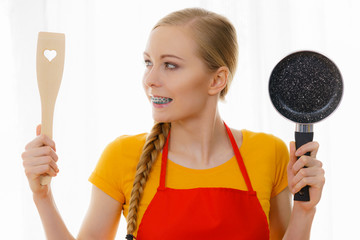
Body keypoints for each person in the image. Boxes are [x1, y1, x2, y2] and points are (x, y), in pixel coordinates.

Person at [21, 7, 325, 240]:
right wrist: (42, 196)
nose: (150, 80)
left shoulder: (269, 153)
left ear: (217, 79)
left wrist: (305, 211)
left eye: (170, 65)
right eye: (148, 63)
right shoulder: (123, 155)